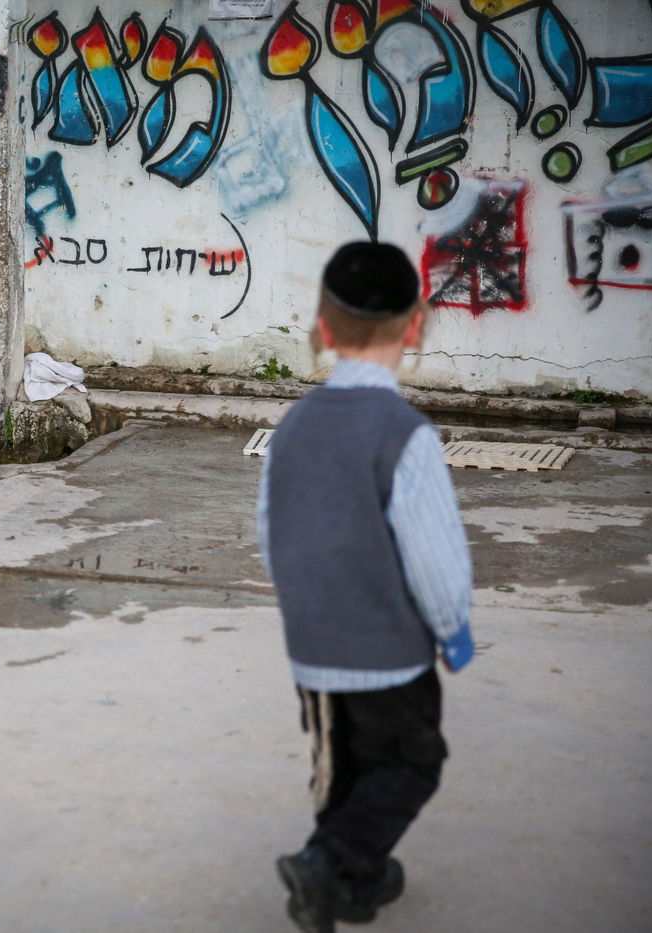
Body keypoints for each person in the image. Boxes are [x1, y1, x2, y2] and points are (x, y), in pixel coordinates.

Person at [256, 241, 475, 933]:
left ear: (323, 327)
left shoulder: (290, 428)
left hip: (315, 646)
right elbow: (434, 555)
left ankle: (354, 881)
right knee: (412, 761)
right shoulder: (405, 434)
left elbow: (271, 532)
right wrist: (452, 628)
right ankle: (328, 860)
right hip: (390, 653)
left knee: (342, 771)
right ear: (415, 327)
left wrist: (308, 607)